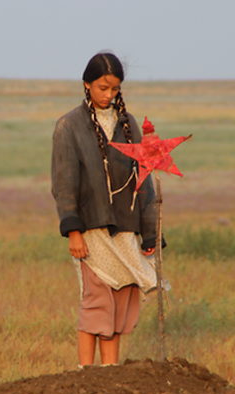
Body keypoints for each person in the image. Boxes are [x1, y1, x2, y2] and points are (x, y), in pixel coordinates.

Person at [51, 52, 162, 367]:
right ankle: (86, 376)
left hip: (126, 229)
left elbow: (145, 182)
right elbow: (64, 183)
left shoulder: (128, 125)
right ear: (86, 84)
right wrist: (73, 231)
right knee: (97, 304)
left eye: (114, 89)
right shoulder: (69, 126)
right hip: (90, 230)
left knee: (120, 302)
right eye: (102, 87)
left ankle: (109, 376)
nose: (108, 95)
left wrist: (151, 232)